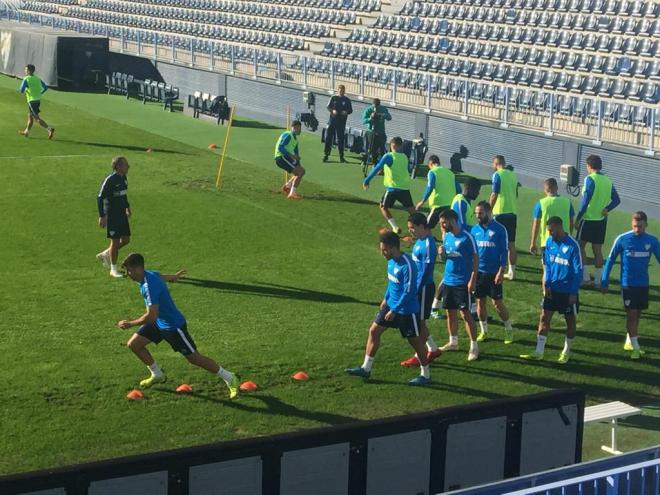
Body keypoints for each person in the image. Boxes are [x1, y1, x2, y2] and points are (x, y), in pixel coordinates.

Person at [118, 253, 240, 399]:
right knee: (134, 344)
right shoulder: (147, 275)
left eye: (129, 270)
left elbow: (151, 316)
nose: (128, 274)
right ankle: (157, 374)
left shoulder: (148, 286)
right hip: (159, 323)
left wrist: (129, 323)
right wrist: (173, 277)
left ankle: (230, 377)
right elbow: (159, 275)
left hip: (173, 326)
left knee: (195, 358)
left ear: (138, 268)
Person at [345, 229, 431, 385]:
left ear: (393, 248)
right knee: (373, 331)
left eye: (384, 250)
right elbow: (392, 283)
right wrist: (386, 299)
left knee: (415, 342)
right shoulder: (391, 262)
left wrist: (395, 310)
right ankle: (366, 368)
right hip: (391, 306)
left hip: (406, 311)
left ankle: (425, 375)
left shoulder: (408, 265)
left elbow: (409, 291)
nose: (382, 253)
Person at [520, 217, 582, 364]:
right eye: (548, 230)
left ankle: (566, 351)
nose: (549, 233)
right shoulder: (549, 242)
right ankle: (539, 351)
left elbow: (578, 271)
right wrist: (546, 284)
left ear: (559, 227)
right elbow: (547, 265)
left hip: (567, 292)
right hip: (552, 290)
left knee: (570, 321)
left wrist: (573, 292)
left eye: (551, 230)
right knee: (543, 318)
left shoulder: (573, 245)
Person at [601, 211, 660, 360]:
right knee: (632, 314)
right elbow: (610, 260)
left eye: (640, 226)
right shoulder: (622, 239)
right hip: (628, 284)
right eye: (634, 226)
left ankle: (629, 340)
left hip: (643, 284)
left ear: (646, 224)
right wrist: (604, 280)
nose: (637, 229)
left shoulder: (652, 241)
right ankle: (636, 348)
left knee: (638, 313)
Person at [436, 209, 480, 361]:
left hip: (463, 282)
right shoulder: (447, 236)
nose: (442, 226)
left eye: (443, 223)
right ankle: (453, 342)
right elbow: (446, 258)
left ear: (452, 221)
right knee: (450, 312)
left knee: (466, 314)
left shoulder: (467, 237)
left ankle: (474, 346)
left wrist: (473, 279)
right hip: (449, 280)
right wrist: (441, 253)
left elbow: (475, 259)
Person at [400, 213, 442, 367]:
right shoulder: (420, 241)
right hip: (418, 287)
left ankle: (419, 356)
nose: (411, 231)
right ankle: (433, 349)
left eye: (412, 228)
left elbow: (427, 270)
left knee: (419, 321)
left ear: (421, 226)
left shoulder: (429, 244)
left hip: (423, 288)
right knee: (420, 321)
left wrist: (416, 289)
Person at [471, 202, 514, 344]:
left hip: (494, 273)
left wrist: (501, 271)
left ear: (489, 213)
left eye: (480, 213)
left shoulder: (500, 229)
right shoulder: (474, 230)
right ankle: (484, 331)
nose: (478, 216)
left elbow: (504, 251)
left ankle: (508, 329)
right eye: (476, 213)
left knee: (497, 303)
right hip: (479, 273)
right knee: (480, 303)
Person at [575, 155, 620, 288]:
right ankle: (598, 281)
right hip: (601, 221)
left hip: (588, 219)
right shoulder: (607, 180)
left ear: (589, 166)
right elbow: (617, 199)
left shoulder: (590, 179)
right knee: (597, 250)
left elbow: (585, 201)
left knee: (580, 247)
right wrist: (608, 208)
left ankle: (586, 278)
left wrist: (578, 218)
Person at [363, 136, 416, 235]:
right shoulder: (404, 157)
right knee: (412, 211)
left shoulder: (389, 156)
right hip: (404, 188)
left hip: (392, 188)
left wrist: (367, 180)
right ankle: (420, 229)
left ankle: (395, 227)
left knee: (383, 207)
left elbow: (377, 167)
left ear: (393, 145)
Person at [97, 156, 132, 278]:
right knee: (115, 241)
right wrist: (102, 216)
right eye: (125, 164)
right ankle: (113, 269)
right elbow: (100, 197)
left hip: (122, 213)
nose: (128, 166)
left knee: (126, 240)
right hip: (112, 215)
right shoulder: (110, 180)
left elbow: (123, 195)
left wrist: (127, 207)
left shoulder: (124, 178)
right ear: (118, 166)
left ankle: (107, 253)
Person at [530, 178, 575, 257]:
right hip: (565, 241)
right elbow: (571, 222)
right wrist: (569, 235)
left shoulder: (540, 203)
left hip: (547, 241)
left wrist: (533, 243)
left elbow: (536, 224)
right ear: (557, 188)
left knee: (547, 268)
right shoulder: (567, 202)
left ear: (545, 190)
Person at [489, 155, 518, 280]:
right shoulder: (513, 175)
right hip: (512, 212)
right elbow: (515, 194)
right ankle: (512, 271)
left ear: (496, 164)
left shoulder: (497, 175)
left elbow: (494, 193)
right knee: (511, 243)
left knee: (495, 241)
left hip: (499, 213)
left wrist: (489, 208)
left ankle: (496, 267)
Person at [416, 155, 461, 230]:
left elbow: (430, 187)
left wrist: (422, 201)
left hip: (438, 205)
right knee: (445, 228)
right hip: (450, 205)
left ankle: (427, 241)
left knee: (426, 227)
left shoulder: (432, 172)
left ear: (430, 163)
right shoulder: (450, 173)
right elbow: (458, 190)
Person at [18, 64, 55, 139]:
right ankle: (26, 132)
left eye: (26, 69)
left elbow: (21, 90)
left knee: (36, 118)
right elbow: (45, 88)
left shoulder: (26, 79)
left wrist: (26, 90)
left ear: (29, 71)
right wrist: (39, 93)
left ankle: (49, 129)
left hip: (31, 101)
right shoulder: (37, 78)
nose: (25, 71)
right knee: (30, 116)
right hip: (37, 100)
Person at [275, 120, 306, 199]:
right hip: (281, 157)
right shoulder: (288, 135)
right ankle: (292, 193)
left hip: (285, 157)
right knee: (301, 172)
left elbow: (296, 153)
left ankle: (287, 186)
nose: (300, 130)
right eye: (299, 128)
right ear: (295, 127)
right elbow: (280, 147)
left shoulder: (295, 140)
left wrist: (298, 163)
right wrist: (292, 156)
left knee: (300, 171)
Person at [323, 84, 353, 163]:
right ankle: (326, 154)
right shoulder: (333, 98)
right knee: (329, 137)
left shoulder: (347, 100)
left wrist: (346, 112)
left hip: (342, 122)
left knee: (340, 139)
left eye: (343, 91)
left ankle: (341, 156)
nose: (342, 92)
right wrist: (332, 111)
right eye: (340, 91)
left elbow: (350, 110)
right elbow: (328, 107)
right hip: (332, 121)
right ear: (338, 90)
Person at [361, 98, 392, 167]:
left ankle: (382, 165)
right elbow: (363, 121)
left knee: (381, 149)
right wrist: (370, 118)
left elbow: (389, 117)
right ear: (372, 104)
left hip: (381, 132)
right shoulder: (368, 110)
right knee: (371, 149)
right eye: (374, 106)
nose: (376, 108)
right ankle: (374, 163)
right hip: (371, 131)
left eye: (377, 106)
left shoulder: (383, 109)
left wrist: (383, 115)